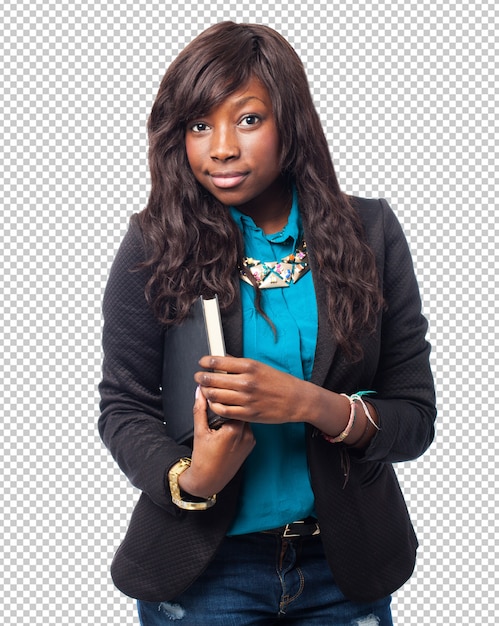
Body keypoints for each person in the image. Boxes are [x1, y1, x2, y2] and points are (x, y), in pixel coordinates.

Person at [98, 21, 436, 626]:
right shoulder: (154, 243)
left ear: (291, 122)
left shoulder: (372, 234)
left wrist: (313, 404)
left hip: (344, 568)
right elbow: (123, 406)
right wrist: (193, 476)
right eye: (200, 125)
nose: (220, 147)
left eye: (248, 119)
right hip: (205, 576)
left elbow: (414, 418)